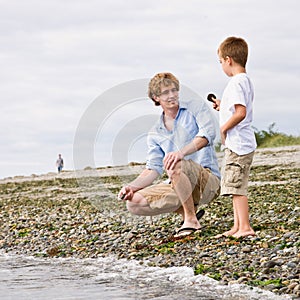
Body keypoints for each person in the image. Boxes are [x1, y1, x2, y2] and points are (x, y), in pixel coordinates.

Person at [117, 72, 220, 238]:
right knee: (134, 204)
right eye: (165, 93)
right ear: (156, 98)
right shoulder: (155, 133)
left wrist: (180, 154)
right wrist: (132, 186)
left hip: (207, 181)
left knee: (175, 163)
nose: (172, 95)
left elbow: (208, 135)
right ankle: (187, 213)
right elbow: (153, 169)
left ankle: (191, 220)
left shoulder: (195, 108)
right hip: (178, 184)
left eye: (174, 90)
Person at [211, 37, 257, 238]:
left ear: (228, 60)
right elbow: (234, 108)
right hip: (238, 142)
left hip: (238, 144)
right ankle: (237, 226)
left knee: (237, 187)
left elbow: (240, 112)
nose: (221, 65)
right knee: (233, 185)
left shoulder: (237, 82)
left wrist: (223, 129)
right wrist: (222, 106)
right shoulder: (242, 81)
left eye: (221, 61)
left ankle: (245, 227)